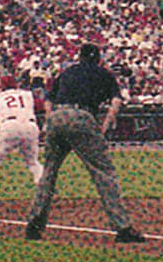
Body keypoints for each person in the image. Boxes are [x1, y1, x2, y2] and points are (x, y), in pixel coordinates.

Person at [23, 43, 143, 243]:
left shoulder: (67, 72)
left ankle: (34, 226)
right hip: (82, 116)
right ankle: (123, 228)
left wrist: (50, 121)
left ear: (79, 57)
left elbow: (48, 100)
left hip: (57, 117)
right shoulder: (104, 74)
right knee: (103, 172)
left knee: (49, 173)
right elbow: (115, 103)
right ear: (98, 58)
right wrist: (103, 127)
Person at [0, 73, 44, 210]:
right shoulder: (27, 94)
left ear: (2, 86)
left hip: (9, 125)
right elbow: (41, 107)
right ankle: (45, 192)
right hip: (30, 125)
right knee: (33, 162)